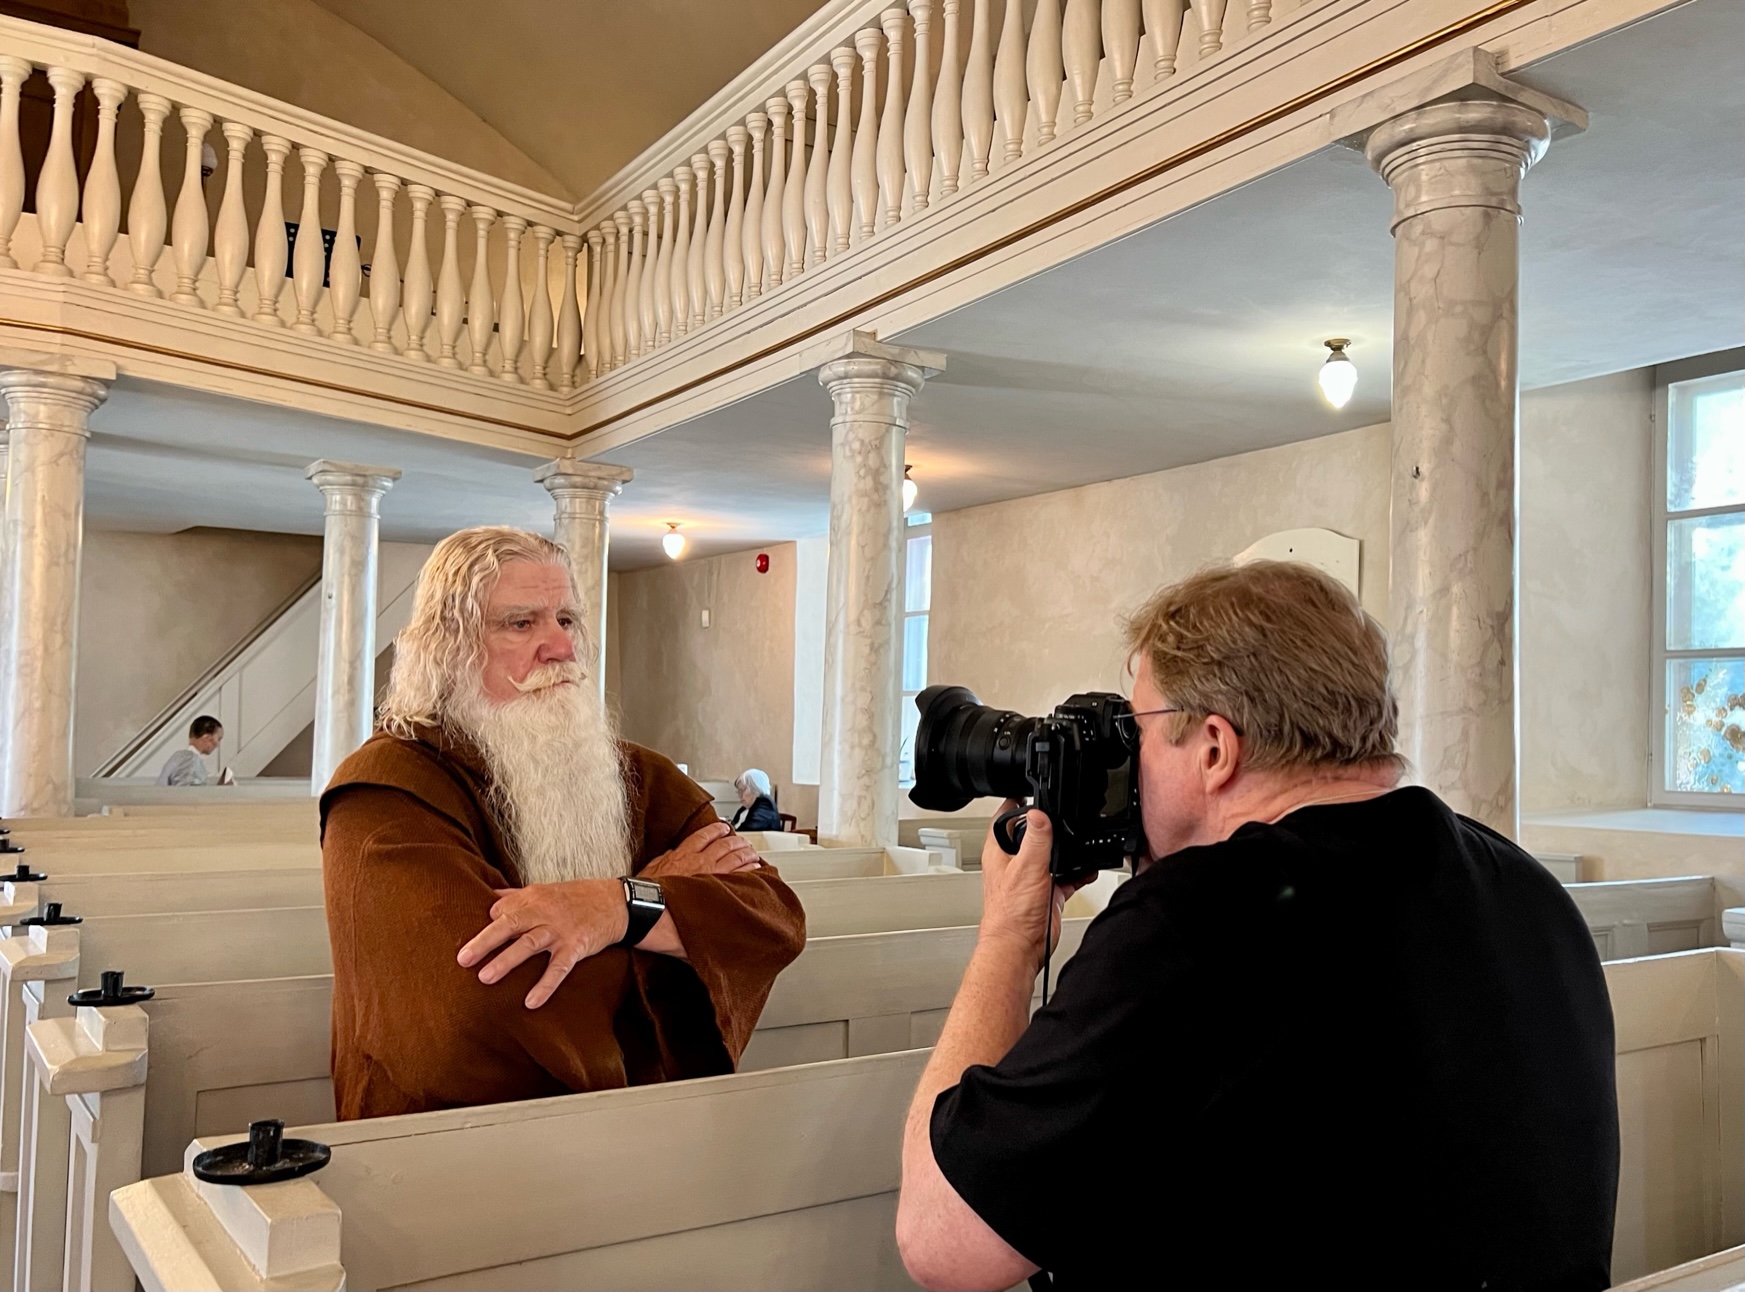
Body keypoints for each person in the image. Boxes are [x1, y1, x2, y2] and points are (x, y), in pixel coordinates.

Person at [896, 562, 1618, 1291]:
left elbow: (943, 1242)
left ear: (1214, 747)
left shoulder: (1195, 916)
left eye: (1138, 729)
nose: (1130, 766)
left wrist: (1009, 938)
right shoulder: (1524, 886)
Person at [320, 527, 806, 1120]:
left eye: (567, 620)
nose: (561, 647)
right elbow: (477, 1004)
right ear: (446, 648)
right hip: (448, 1150)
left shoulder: (638, 775)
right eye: (521, 624)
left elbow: (772, 917)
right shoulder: (384, 792)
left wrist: (620, 906)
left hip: (652, 1127)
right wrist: (669, 912)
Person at [156, 715, 223, 786]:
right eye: (218, 739)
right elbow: (187, 793)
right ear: (207, 737)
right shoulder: (189, 760)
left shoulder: (181, 757)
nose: (218, 745)